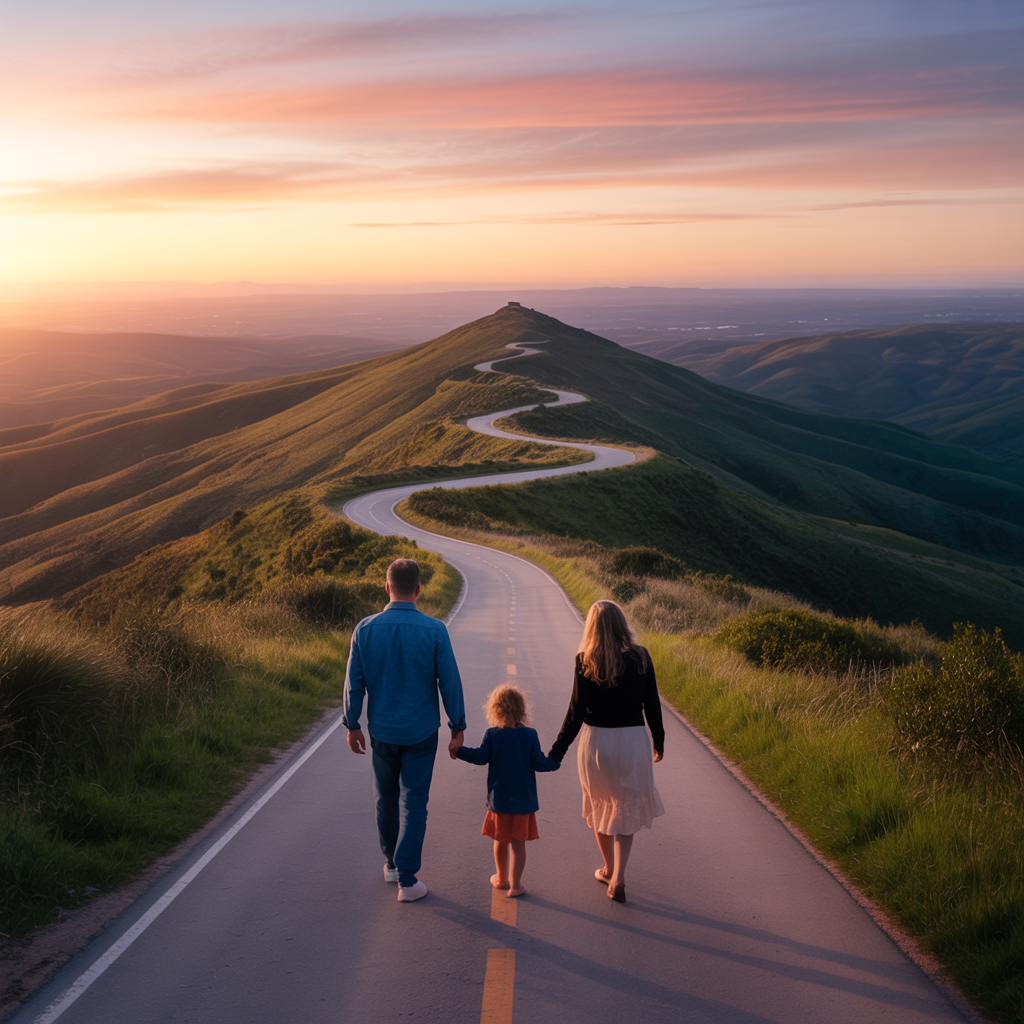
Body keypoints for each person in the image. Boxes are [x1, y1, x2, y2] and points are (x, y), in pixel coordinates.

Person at [343, 558, 466, 903]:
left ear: (387, 587)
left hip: (381, 732)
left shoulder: (364, 629)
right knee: (415, 802)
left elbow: (355, 685)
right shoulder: (435, 630)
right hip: (421, 732)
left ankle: (391, 864)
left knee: (385, 799)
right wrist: (458, 726)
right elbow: (450, 683)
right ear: (419, 589)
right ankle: (408, 881)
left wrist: (352, 724)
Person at [548, 600, 665, 904]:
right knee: (623, 807)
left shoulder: (585, 659)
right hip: (632, 742)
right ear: (621, 622)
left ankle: (607, 867)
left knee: (600, 804)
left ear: (592, 627)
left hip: (597, 744)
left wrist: (557, 751)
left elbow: (575, 712)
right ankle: (620, 875)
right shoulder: (641, 657)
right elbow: (652, 703)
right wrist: (659, 740)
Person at [455, 684, 560, 897]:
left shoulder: (493, 734)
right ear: (522, 709)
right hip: (523, 802)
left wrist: (459, 751)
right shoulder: (530, 735)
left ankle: (501, 879)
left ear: (495, 709)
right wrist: (555, 761)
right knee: (518, 845)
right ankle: (516, 885)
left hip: (499, 800)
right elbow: (540, 763)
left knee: (500, 840)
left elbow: (480, 757)